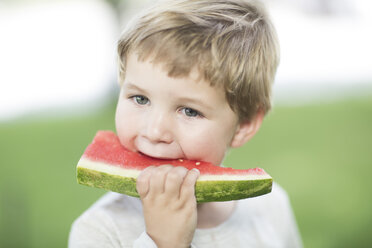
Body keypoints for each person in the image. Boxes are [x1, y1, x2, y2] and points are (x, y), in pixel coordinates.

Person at [69, 0, 302, 247]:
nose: (155, 131)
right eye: (140, 99)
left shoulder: (271, 207)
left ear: (244, 125)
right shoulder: (99, 231)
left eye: (190, 111)